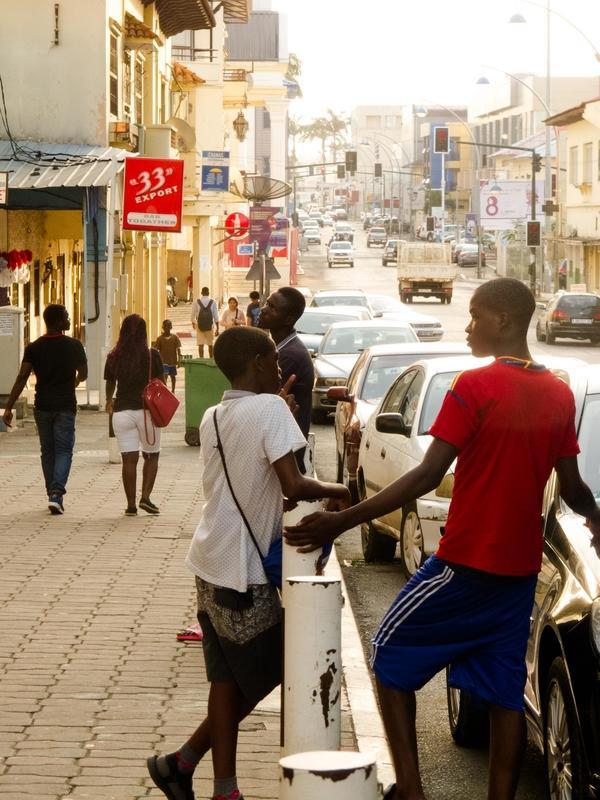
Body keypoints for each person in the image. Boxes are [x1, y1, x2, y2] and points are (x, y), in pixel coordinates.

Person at [285, 277, 600, 800]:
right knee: (503, 695)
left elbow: (428, 475)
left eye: (476, 315)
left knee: (388, 656)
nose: (469, 325)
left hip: (465, 565)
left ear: (504, 321)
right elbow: (573, 487)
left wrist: (342, 520)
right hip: (517, 573)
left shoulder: (472, 387)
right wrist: (596, 520)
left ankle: (410, 789)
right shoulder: (559, 394)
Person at [146, 326, 350, 800]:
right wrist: (340, 491)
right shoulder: (271, 409)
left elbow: (257, 465)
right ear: (258, 362)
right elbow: (293, 487)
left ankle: (212, 782)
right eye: (274, 361)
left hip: (208, 558)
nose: (281, 367)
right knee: (280, 664)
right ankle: (189, 765)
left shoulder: (219, 412)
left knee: (226, 677)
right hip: (241, 570)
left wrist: (279, 412)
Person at [2, 304, 87, 515]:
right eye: (66, 317)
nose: (69, 320)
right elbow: (83, 373)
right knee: (64, 450)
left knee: (47, 451)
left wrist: (8, 406)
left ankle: (52, 493)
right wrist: (73, 383)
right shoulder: (74, 346)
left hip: (42, 406)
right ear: (58, 322)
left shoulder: (34, 347)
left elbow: (22, 377)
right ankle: (56, 494)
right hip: (65, 406)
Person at [104, 314, 165, 517]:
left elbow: (110, 382)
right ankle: (145, 497)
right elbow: (160, 383)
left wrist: (109, 400)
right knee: (152, 454)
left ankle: (130, 505)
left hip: (122, 412)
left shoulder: (115, 355)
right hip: (147, 413)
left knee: (129, 459)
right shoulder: (152, 355)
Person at [258, 286, 313, 449]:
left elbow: (263, 399)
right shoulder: (282, 348)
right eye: (267, 303)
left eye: (272, 308)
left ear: (288, 319)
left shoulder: (289, 355)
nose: (263, 309)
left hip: (285, 449)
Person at [192, 287, 219, 358]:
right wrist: (217, 328)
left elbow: (193, 314)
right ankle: (211, 358)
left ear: (201, 293)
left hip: (199, 325)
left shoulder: (196, 302)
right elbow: (216, 316)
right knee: (210, 344)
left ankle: (201, 359)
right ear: (208, 293)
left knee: (200, 344)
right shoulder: (213, 302)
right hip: (210, 326)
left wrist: (193, 323)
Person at [155, 319, 182, 392]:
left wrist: (179, 360)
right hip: (163, 362)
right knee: (164, 377)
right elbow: (156, 350)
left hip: (172, 361)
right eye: (166, 326)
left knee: (173, 376)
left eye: (169, 326)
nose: (167, 328)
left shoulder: (175, 337)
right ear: (163, 327)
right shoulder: (160, 339)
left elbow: (178, 349)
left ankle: (173, 390)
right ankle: (165, 390)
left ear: (171, 327)